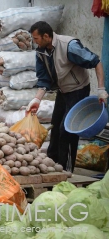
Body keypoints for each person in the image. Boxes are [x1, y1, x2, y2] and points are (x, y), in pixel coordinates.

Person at [26, 21, 108, 172]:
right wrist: (37, 99)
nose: (34, 42)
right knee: (56, 128)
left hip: (78, 89)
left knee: (67, 129)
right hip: (63, 91)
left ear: (46, 36)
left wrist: (101, 88)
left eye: (36, 38)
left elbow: (96, 62)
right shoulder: (41, 52)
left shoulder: (69, 46)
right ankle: (51, 166)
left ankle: (66, 170)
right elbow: (44, 80)